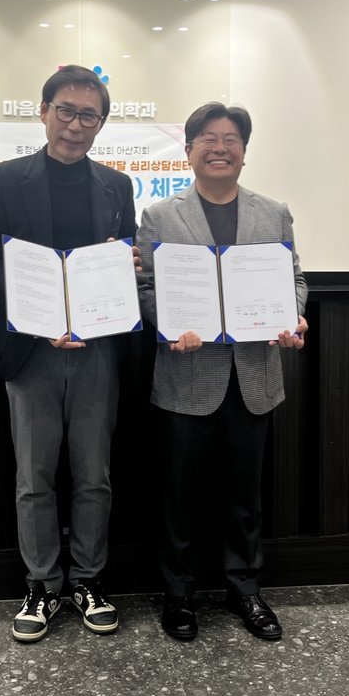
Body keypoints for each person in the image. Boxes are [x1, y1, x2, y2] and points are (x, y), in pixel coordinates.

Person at [0, 64, 138, 642]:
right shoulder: (5, 178)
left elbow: (125, 262)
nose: (75, 124)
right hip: (30, 349)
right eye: (65, 111)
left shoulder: (117, 186)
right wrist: (40, 316)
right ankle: (42, 585)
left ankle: (88, 580)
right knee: (35, 476)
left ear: (102, 123)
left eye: (88, 115)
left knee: (94, 476)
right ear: (44, 112)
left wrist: (127, 267)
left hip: (97, 349)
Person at [136, 101, 307, 642]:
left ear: (244, 151)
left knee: (244, 497)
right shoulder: (160, 217)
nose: (219, 147)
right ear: (188, 150)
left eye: (231, 139)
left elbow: (294, 278)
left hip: (254, 376)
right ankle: (178, 594)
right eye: (208, 138)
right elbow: (145, 288)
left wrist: (293, 315)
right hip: (187, 373)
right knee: (179, 495)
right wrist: (168, 325)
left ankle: (245, 590)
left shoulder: (273, 213)